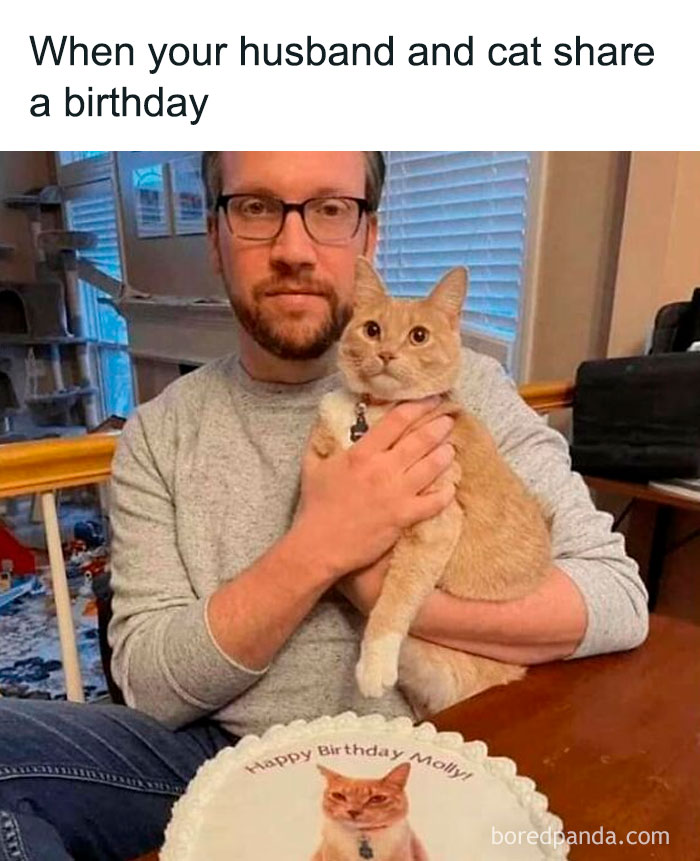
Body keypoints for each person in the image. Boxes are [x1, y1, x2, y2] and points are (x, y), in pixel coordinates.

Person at [0, 151, 649, 860]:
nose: (293, 248)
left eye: (331, 209)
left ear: (368, 235)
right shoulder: (159, 430)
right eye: (255, 208)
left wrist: (380, 593)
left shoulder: (473, 391)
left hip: (450, 739)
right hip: (221, 754)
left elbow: (618, 597)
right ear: (215, 236)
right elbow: (151, 685)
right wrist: (319, 547)